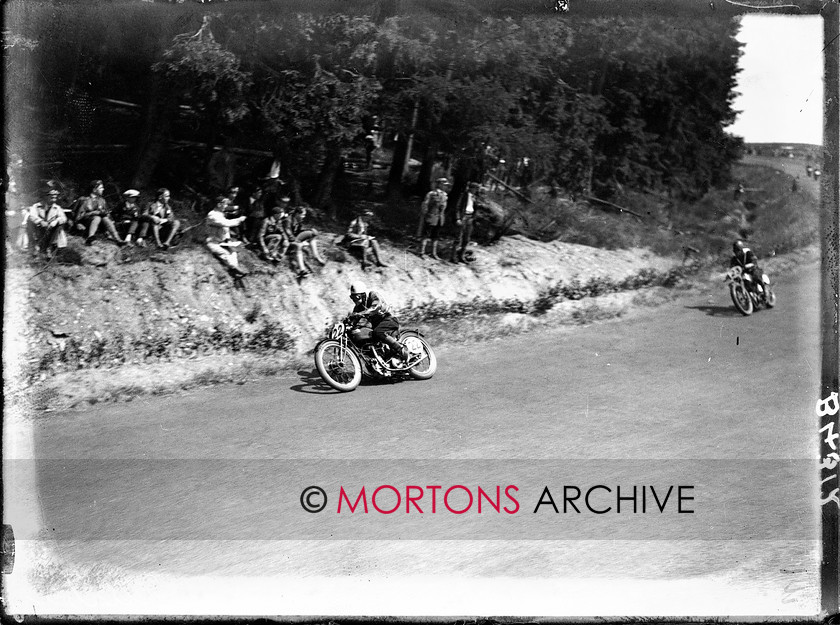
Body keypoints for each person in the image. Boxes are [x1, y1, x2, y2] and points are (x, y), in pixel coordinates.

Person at [348, 281, 408, 362]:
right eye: (352, 297)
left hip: (389, 319)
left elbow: (376, 306)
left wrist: (361, 313)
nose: (354, 300)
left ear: (363, 294)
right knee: (365, 339)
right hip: (377, 325)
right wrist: (348, 323)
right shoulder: (358, 308)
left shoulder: (372, 295)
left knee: (378, 332)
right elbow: (353, 321)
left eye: (357, 297)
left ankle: (401, 349)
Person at [206, 196, 248, 277]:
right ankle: (234, 268)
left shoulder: (221, 214)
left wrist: (228, 239)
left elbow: (225, 229)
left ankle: (234, 269)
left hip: (222, 242)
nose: (226, 206)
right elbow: (226, 223)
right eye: (224, 204)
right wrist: (239, 220)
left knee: (233, 251)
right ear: (219, 204)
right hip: (213, 242)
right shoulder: (212, 215)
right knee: (225, 253)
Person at [74, 179, 125, 246]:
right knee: (97, 217)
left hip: (100, 225)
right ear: (94, 189)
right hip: (85, 223)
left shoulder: (102, 200)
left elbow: (106, 213)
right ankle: (90, 237)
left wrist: (105, 214)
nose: (103, 189)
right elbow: (79, 215)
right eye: (101, 188)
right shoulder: (84, 199)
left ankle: (117, 239)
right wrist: (94, 213)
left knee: (105, 218)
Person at [26, 188, 67, 259]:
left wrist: (56, 221)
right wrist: (40, 221)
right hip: (38, 229)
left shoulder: (57, 208)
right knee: (30, 223)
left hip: (51, 230)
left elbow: (64, 218)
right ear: (46, 196)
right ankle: (36, 246)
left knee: (58, 226)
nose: (54, 199)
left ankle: (49, 248)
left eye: (55, 197)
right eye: (51, 197)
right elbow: (32, 216)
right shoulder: (36, 206)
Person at [417, 177, 448, 259]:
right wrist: (425, 215)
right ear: (439, 184)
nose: (445, 186)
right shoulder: (431, 194)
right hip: (431, 216)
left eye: (445, 185)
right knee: (426, 235)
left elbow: (444, 207)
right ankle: (421, 252)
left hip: (439, 218)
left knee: (436, 236)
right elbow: (425, 205)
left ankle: (434, 253)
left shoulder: (445, 195)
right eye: (444, 184)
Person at [257, 198, 292, 262]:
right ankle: (266, 254)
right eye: (279, 214)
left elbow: (282, 231)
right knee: (278, 236)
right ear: (275, 215)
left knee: (285, 241)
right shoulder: (266, 221)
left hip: (273, 239)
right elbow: (260, 236)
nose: (281, 215)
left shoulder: (278, 221)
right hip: (265, 240)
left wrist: (286, 239)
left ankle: (278, 257)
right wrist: (264, 247)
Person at [451, 182, 478, 263]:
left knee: (466, 239)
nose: (475, 190)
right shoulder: (464, 195)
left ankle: (461, 256)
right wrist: (458, 218)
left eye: (476, 189)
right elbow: (458, 207)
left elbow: (475, 208)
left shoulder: (475, 197)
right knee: (458, 238)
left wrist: (473, 217)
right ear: (471, 188)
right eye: (474, 188)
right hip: (463, 217)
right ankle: (453, 257)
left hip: (470, 218)